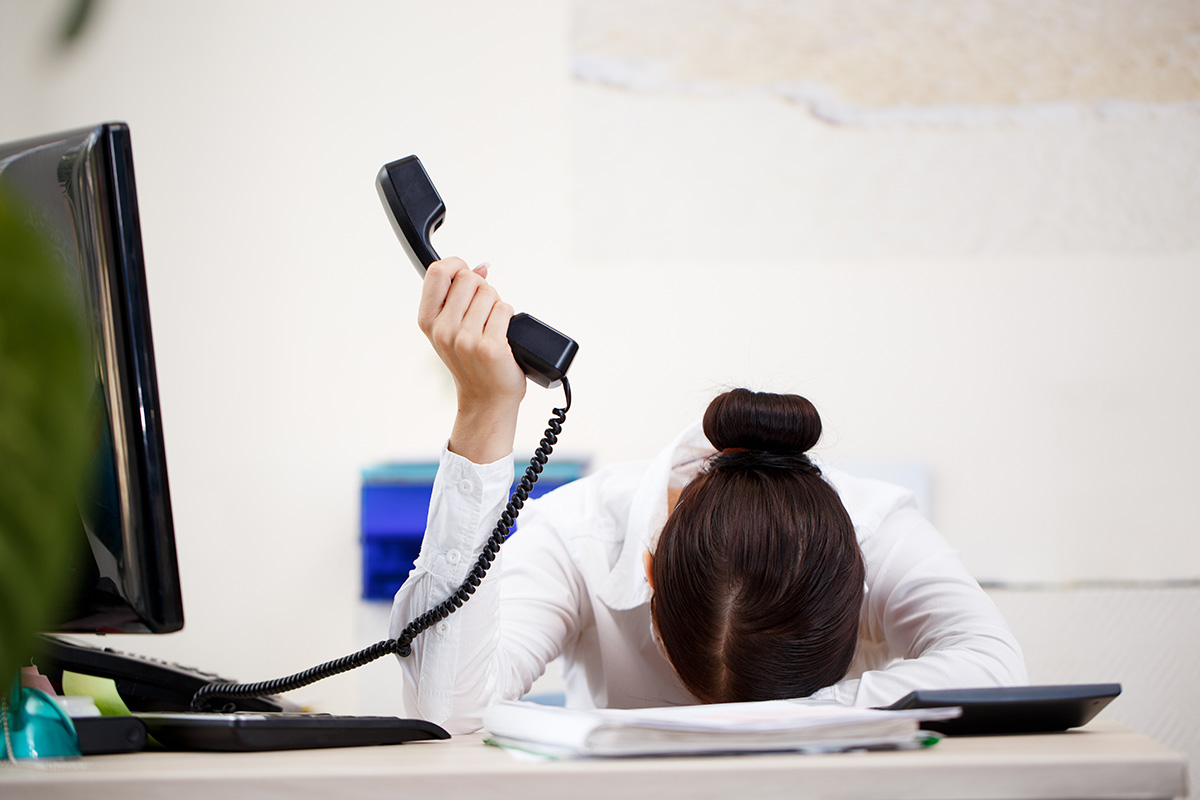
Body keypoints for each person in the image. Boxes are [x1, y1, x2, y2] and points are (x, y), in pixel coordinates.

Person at [391, 258, 1027, 734]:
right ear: (649, 569)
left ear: (859, 582)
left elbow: (995, 666)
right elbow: (447, 714)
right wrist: (485, 410)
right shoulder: (579, 532)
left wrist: (788, 720)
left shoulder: (872, 530)